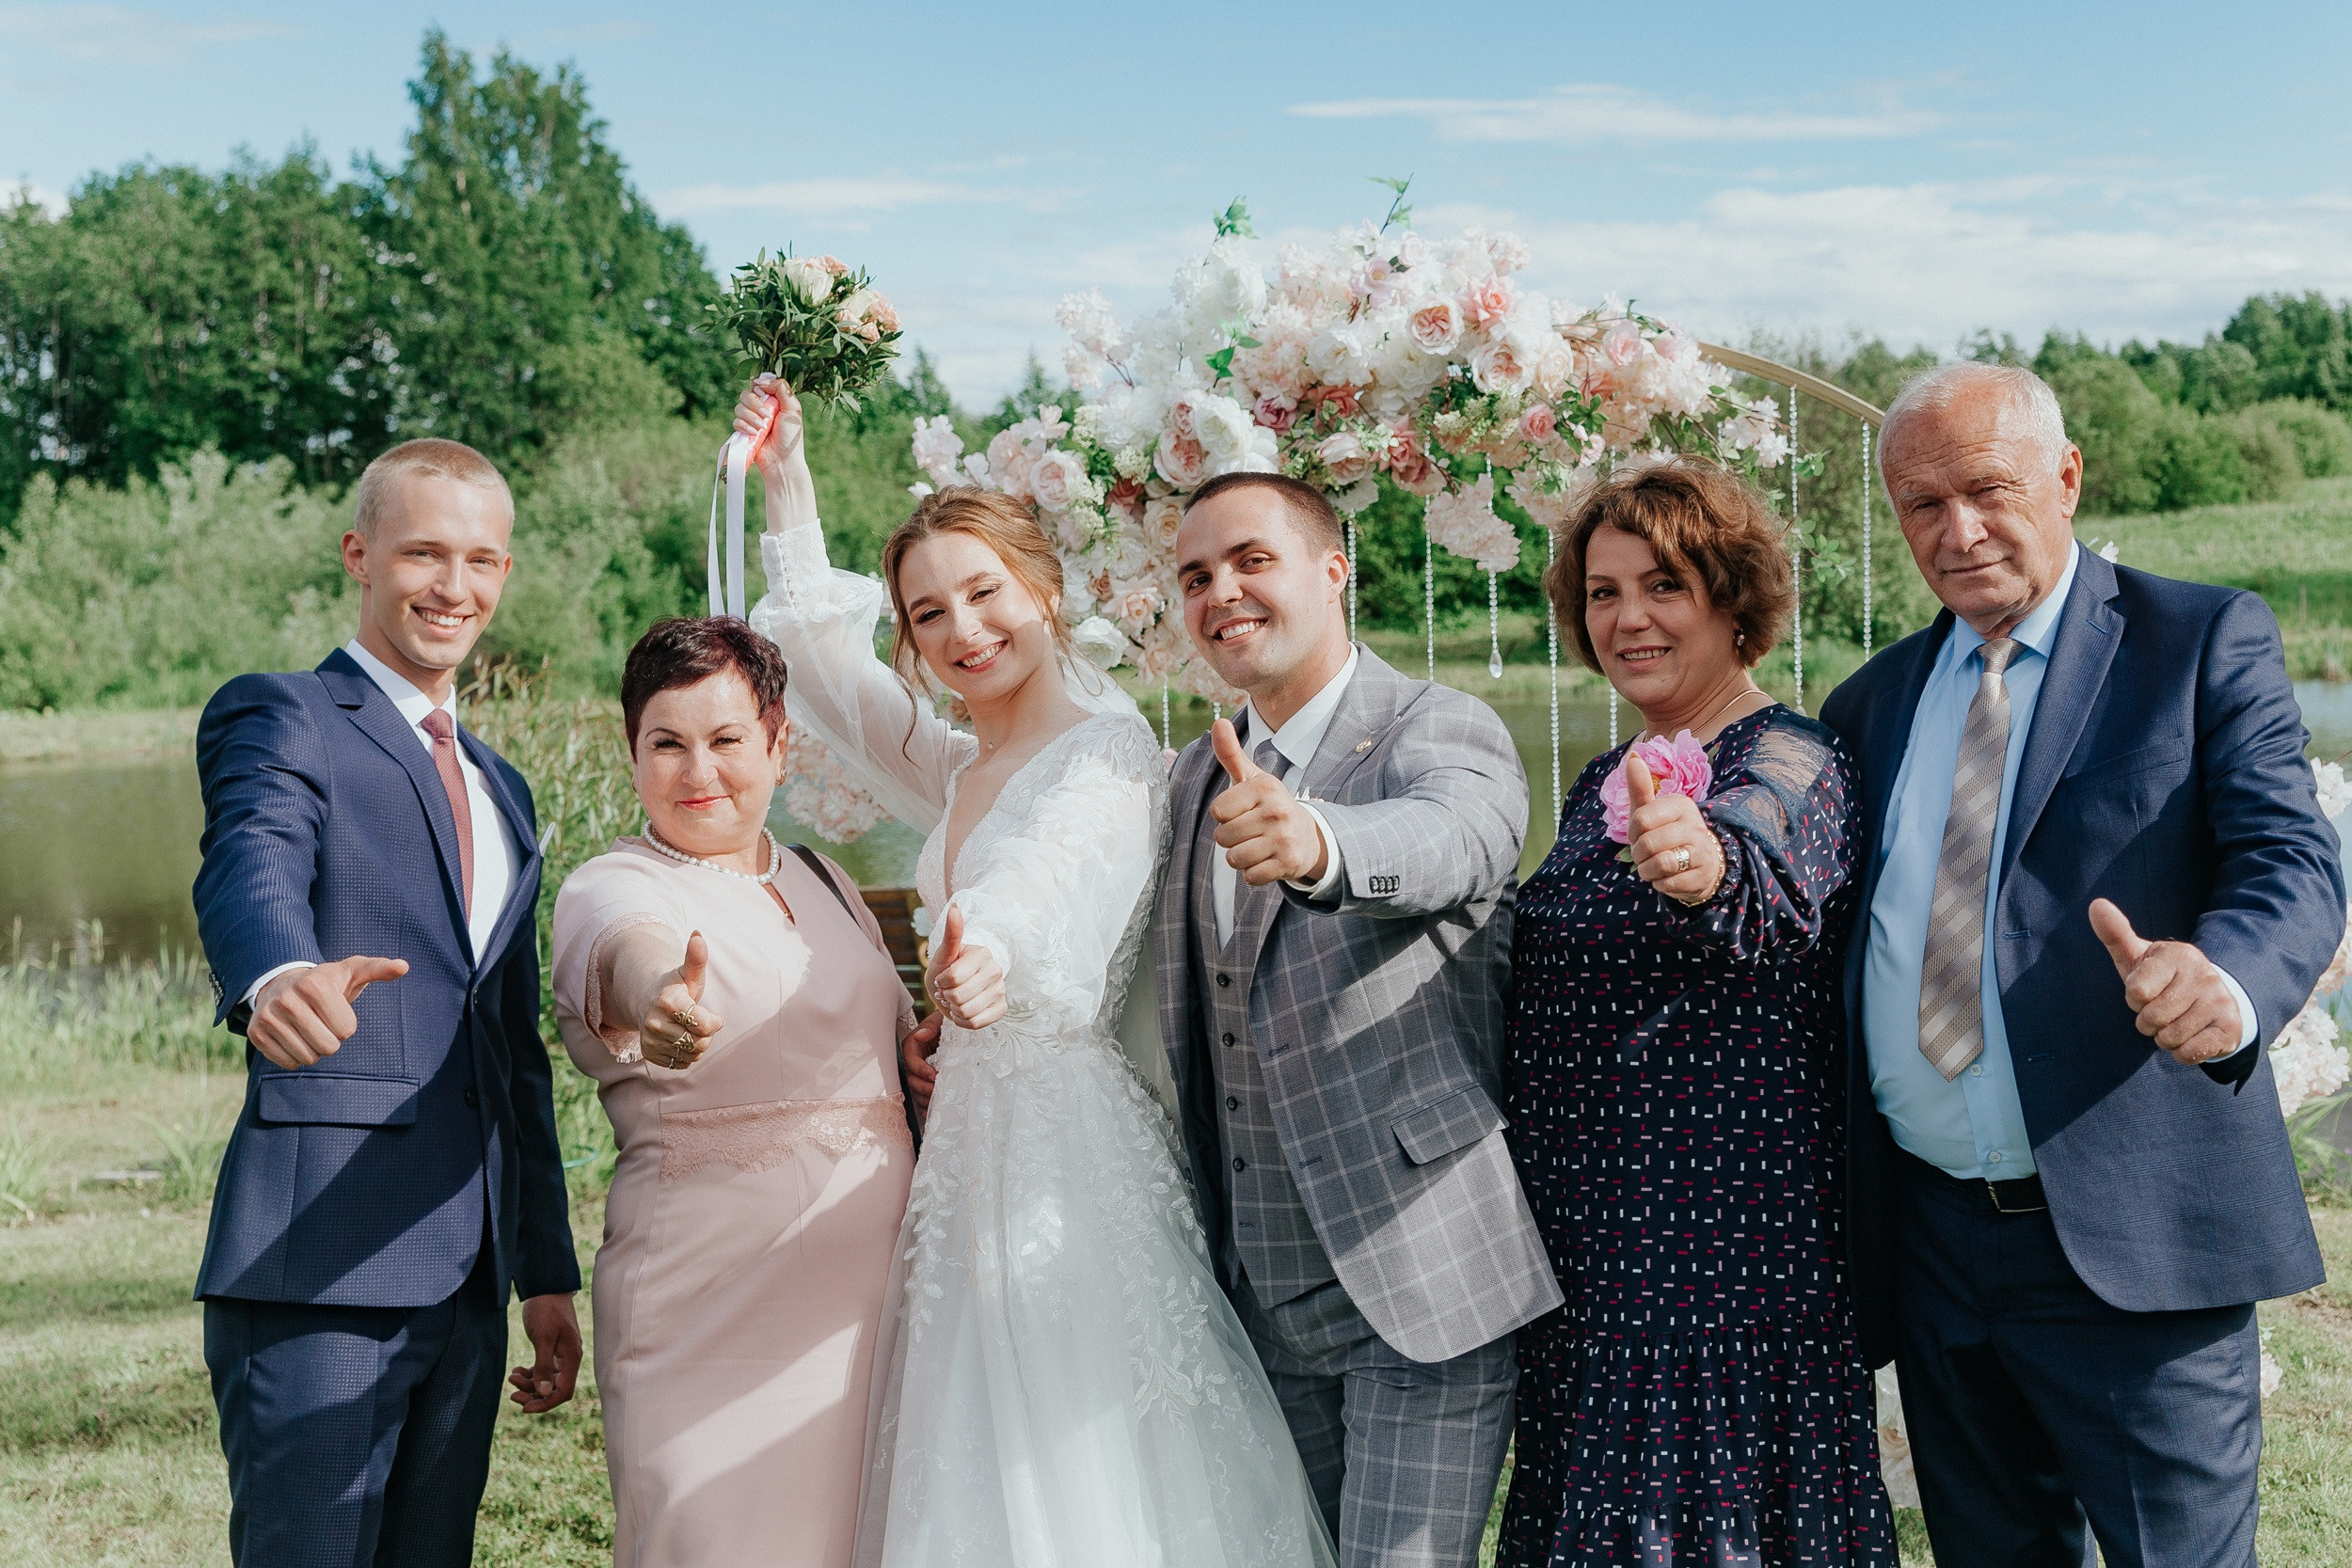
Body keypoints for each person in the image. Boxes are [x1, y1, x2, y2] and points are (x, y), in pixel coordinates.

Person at [735, 373, 1336, 1568]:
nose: (962, 631)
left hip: (1062, 1156)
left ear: (1043, 589)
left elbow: (1051, 886)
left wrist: (987, 953)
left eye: (984, 593)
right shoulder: (958, 765)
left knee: (1072, 1455)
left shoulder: (1108, 749)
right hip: (968, 1149)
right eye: (926, 615)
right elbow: (822, 671)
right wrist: (789, 479)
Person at [1819, 362, 2342, 1568]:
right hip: (1934, 1241)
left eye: (1987, 488)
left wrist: (2225, 980)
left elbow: (2289, 858)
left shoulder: (2200, 639)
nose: (1956, 531)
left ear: (2065, 476)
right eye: (1918, 503)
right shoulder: (1871, 701)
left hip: (2132, 1234)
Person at [1157, 470, 1562, 1568]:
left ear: (1334, 570)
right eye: (1195, 575)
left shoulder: (1440, 727)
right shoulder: (1194, 770)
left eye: (1250, 560)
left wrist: (1321, 846)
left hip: (1419, 1274)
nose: (1220, 593)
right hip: (1254, 1299)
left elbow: (1457, 839)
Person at [1494, 458, 1894, 1565]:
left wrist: (1699, 859)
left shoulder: (1794, 758)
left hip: (1717, 1267)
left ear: (1732, 597)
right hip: (1592, 1252)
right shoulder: (1596, 780)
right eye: (1603, 592)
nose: (1628, 618)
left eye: (1663, 584)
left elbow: (1758, 877)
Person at [191, 438, 580, 1568]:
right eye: (422, 552)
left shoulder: (502, 785)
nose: (452, 586)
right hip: (320, 1258)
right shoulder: (285, 716)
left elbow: (512, 1050)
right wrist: (274, 974)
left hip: (465, 1277)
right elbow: (250, 858)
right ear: (360, 554)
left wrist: (543, 1268)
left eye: (480, 559)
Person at [549, 616, 917, 1568]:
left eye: (724, 739)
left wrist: (922, 1055)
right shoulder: (614, 881)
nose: (696, 769)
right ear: (630, 752)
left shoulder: (827, 879)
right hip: (706, 1316)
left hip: (867, 1318)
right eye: (665, 743)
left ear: (776, 742)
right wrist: (659, 996)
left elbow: (872, 1050)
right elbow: (626, 954)